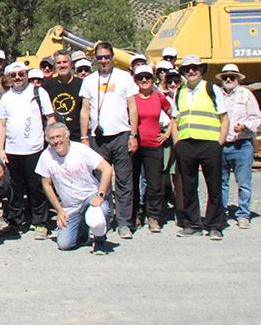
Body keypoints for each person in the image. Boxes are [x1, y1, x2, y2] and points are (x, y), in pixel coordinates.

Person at [79, 41, 139, 239]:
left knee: (123, 181)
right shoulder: (89, 80)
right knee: (99, 182)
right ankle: (104, 218)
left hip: (121, 135)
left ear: (112, 57)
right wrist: (84, 137)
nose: (103, 60)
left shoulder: (125, 78)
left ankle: (124, 223)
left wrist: (133, 134)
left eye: (107, 56)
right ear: (95, 59)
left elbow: (133, 107)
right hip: (97, 138)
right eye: (100, 57)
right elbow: (85, 110)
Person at [172, 55, 229, 240]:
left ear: (201, 69)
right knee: (189, 187)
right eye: (187, 68)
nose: (191, 71)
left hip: (209, 144)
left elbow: (224, 118)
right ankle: (192, 224)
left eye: (194, 67)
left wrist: (219, 143)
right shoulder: (179, 92)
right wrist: (177, 143)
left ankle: (215, 225)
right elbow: (175, 120)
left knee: (214, 186)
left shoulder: (212, 89)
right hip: (186, 144)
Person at [0, 61, 56, 239]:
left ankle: (40, 223)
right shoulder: (6, 97)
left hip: (35, 149)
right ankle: (15, 222)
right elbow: (3, 124)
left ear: (26, 75)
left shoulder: (38, 92)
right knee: (15, 188)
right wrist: (1, 148)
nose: (18, 78)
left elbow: (50, 118)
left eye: (21, 74)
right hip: (13, 150)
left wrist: (50, 144)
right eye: (14, 75)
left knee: (36, 187)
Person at [36, 123, 115, 255]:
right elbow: (47, 185)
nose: (56, 141)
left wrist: (100, 195)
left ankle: (100, 241)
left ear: (67, 137)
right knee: (64, 244)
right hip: (70, 205)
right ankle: (82, 231)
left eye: (59, 136)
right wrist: (59, 211)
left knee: (100, 212)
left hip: (90, 197)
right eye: (52, 138)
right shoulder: (46, 156)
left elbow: (107, 169)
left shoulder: (81, 150)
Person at [218, 63, 261, 229]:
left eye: (232, 77)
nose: (228, 80)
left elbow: (257, 118)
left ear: (238, 79)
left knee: (243, 182)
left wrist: (245, 127)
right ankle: (221, 213)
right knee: (221, 182)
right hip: (222, 144)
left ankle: (243, 214)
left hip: (241, 144)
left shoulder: (246, 95)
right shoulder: (217, 95)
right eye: (225, 77)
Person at [132, 64, 172, 233]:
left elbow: (174, 115)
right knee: (132, 182)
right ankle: (135, 215)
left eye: (147, 77)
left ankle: (153, 216)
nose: (144, 80)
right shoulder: (131, 98)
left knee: (154, 183)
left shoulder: (159, 97)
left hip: (153, 145)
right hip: (135, 145)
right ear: (135, 80)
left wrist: (167, 134)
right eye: (140, 77)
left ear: (152, 79)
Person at [42, 49, 84, 143]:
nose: (62, 65)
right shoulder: (46, 86)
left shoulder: (81, 84)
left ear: (71, 64)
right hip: (55, 140)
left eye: (65, 62)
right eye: (58, 63)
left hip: (77, 138)